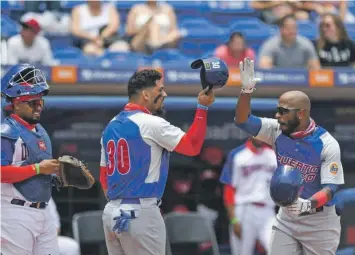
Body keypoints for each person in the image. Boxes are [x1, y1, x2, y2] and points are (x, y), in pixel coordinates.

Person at [234, 57, 345, 255]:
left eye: (283, 111)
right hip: (287, 216)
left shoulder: (327, 143)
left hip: (319, 220)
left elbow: (331, 188)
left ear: (301, 113)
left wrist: (308, 204)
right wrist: (246, 91)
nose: (277, 116)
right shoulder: (276, 130)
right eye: (278, 111)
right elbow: (243, 121)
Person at [100, 69, 215, 255]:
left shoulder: (110, 126)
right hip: (141, 211)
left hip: (111, 212)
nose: (164, 94)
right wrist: (202, 108)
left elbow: (104, 177)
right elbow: (192, 147)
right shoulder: (150, 122)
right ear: (145, 94)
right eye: (160, 90)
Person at [0, 64, 61, 254]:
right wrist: (38, 169)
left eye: (40, 102)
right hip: (14, 212)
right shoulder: (6, 132)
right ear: (17, 103)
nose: (38, 107)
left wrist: (58, 174)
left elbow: (43, 170)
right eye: (32, 103)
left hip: (45, 210)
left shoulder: (40, 131)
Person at [220, 136, 278, 255]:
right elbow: (229, 190)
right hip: (244, 209)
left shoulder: (274, 156)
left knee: (277, 249)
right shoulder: (237, 155)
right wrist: (234, 220)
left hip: (268, 211)